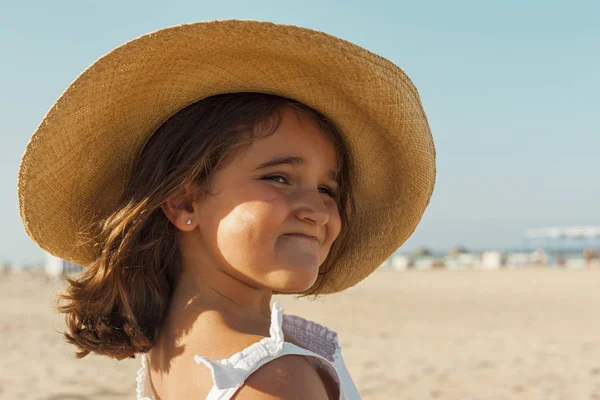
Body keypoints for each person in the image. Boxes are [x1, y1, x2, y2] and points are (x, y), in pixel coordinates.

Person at [17, 20, 436, 399]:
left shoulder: (174, 352)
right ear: (184, 201)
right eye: (279, 178)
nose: (319, 211)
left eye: (328, 189)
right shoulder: (273, 380)